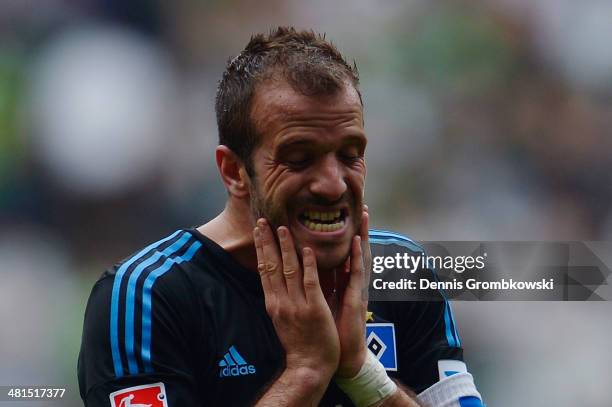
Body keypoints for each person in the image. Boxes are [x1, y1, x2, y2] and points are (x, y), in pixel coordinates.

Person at [78, 27, 484, 406]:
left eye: (349, 154)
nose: (333, 184)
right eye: (299, 158)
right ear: (234, 172)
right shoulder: (146, 297)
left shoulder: (401, 270)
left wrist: (361, 372)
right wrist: (306, 374)